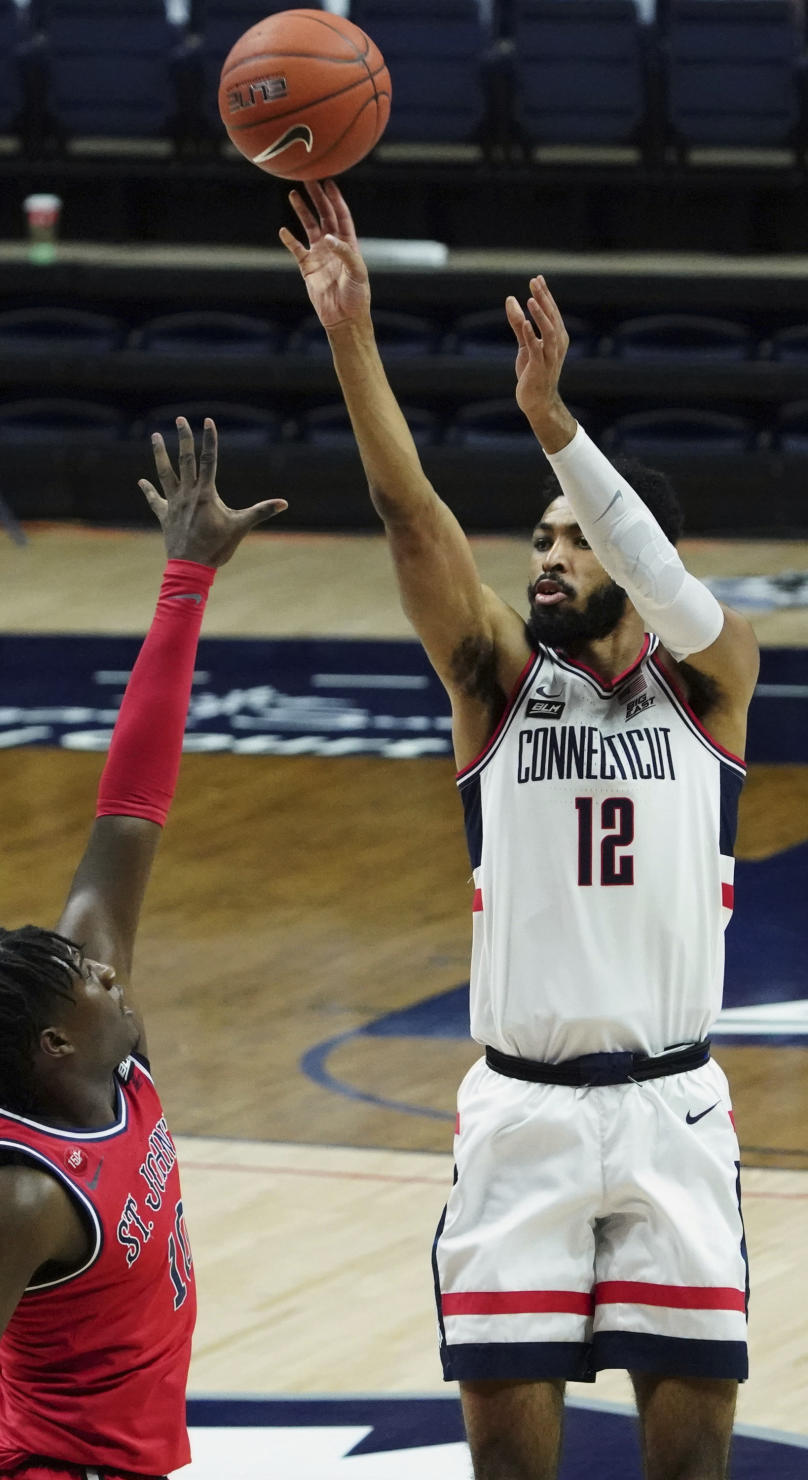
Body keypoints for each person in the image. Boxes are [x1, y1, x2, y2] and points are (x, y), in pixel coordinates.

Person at [281, 181, 760, 1480]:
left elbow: (662, 575)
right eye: (538, 539)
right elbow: (411, 517)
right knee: (507, 1465)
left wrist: (555, 427)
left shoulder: (712, 683)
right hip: (521, 1117)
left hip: (672, 1112)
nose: (545, 558)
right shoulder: (497, 681)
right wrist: (350, 339)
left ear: (626, 549)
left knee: (690, 1463)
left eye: (570, 540)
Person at [0, 420, 286, 1480]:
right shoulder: (15, 1197)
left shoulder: (93, 1042)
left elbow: (132, 804)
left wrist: (188, 579)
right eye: (95, 978)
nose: (116, 971)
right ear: (57, 1041)